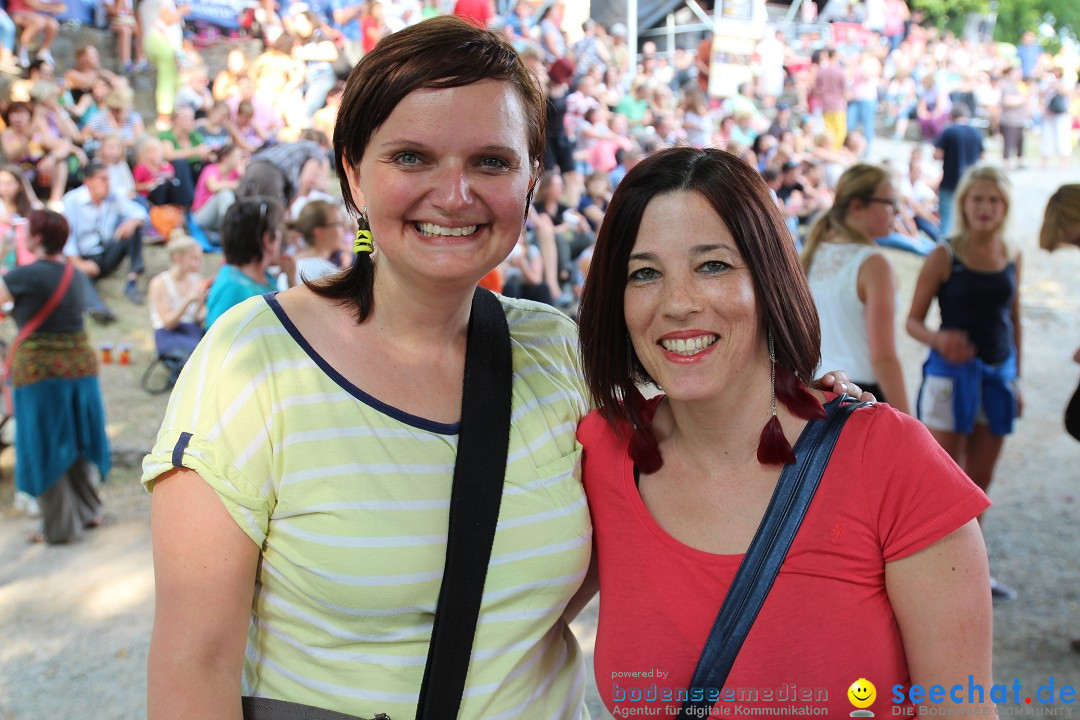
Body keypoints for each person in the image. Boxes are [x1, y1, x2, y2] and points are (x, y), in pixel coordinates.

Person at [142, 18, 862, 719]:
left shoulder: (558, 355)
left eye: (491, 161)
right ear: (354, 176)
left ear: (531, 179)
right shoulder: (253, 360)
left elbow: (704, 449)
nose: (455, 195)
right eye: (413, 158)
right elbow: (192, 668)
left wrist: (794, 401)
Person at [575, 147, 993, 716]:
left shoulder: (891, 461)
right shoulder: (598, 452)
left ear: (768, 276)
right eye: (644, 273)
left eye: (712, 265)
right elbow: (496, 629)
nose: (677, 303)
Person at [906, 164, 1021, 602]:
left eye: (994, 200)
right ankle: (932, 579)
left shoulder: (1011, 252)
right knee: (942, 482)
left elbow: (1014, 318)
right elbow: (913, 322)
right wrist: (940, 339)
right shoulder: (945, 253)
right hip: (949, 380)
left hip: (997, 377)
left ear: (1004, 206)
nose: (986, 208)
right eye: (978, 199)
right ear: (965, 203)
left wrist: (1019, 377)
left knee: (980, 483)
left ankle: (974, 575)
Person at [0, 209, 111, 544]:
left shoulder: (23, 275)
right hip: (80, 367)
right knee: (78, 439)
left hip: (40, 371)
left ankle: (60, 527)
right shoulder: (76, 275)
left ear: (35, 238)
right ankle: (90, 510)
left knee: (47, 443)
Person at [801, 163, 911, 412]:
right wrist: (909, 420)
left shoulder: (813, 252)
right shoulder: (873, 262)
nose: (897, 211)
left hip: (814, 390)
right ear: (857, 206)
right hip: (861, 396)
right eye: (890, 202)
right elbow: (883, 357)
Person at [62, 161, 150, 318]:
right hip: (84, 257)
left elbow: (140, 212)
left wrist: (132, 222)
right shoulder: (71, 201)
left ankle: (132, 280)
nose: (107, 183)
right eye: (102, 179)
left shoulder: (113, 196)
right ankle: (96, 308)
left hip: (107, 252)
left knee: (134, 227)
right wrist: (79, 263)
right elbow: (67, 237)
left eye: (108, 179)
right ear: (88, 182)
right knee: (77, 273)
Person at [203, 196, 284, 329]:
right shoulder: (232, 289)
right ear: (267, 240)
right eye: (278, 229)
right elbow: (220, 345)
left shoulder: (263, 277)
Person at [147, 233, 207, 364]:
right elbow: (168, 323)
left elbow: (198, 317)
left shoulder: (197, 280)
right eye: (194, 259)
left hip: (193, 331)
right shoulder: (159, 283)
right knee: (199, 353)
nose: (199, 264)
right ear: (178, 259)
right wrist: (188, 300)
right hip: (169, 334)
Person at [934, 103, 983, 237]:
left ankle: (942, 249)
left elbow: (937, 154)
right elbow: (982, 155)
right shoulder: (977, 133)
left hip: (950, 180)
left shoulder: (949, 131)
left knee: (945, 219)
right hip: (969, 182)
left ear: (951, 116)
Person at [281, 199, 349, 284]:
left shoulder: (290, 265)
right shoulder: (326, 273)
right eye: (338, 224)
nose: (344, 229)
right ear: (319, 232)